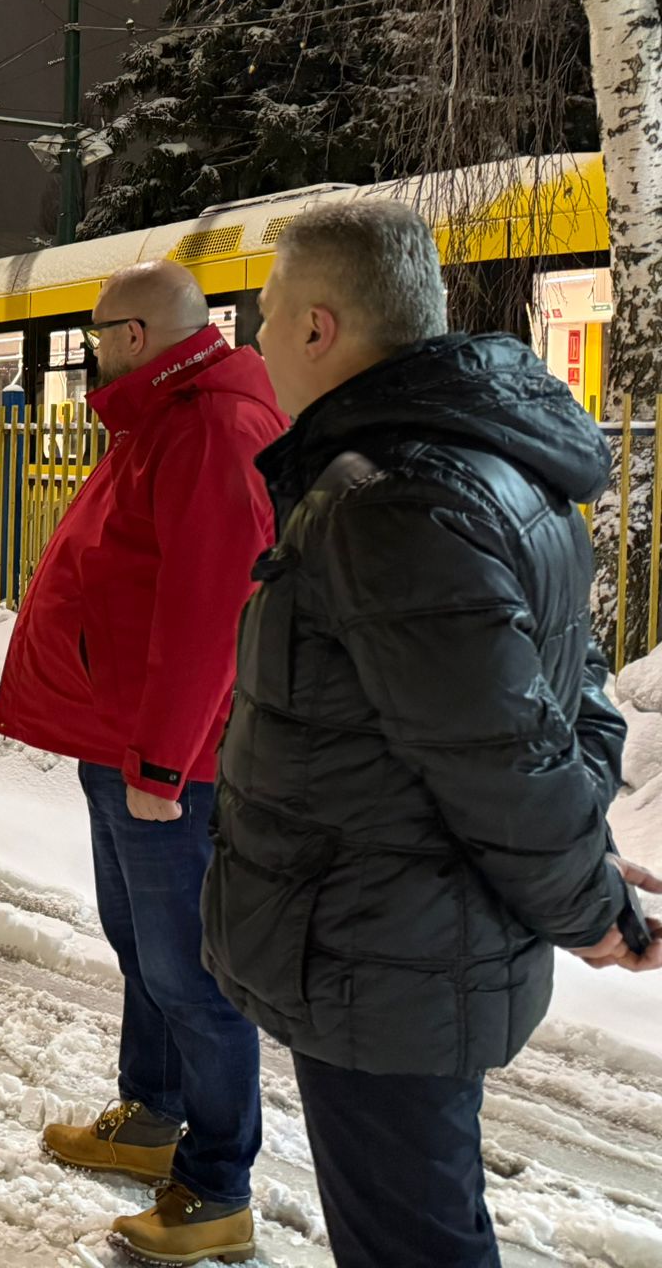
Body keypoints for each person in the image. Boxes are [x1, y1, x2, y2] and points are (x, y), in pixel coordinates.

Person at [202, 199, 662, 1268]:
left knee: (411, 1243)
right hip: (408, 940)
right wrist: (579, 857)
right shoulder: (488, 470)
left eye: (266, 312)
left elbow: (506, 755)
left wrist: (593, 910)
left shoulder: (389, 500)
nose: (255, 337)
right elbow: (570, 705)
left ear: (319, 327)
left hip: (385, 949)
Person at [0, 259, 285, 1265]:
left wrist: (160, 765)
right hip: (124, 740)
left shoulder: (205, 430)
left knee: (191, 969)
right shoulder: (161, 417)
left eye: (90, 339)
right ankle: (151, 1112)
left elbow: (208, 617)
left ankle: (216, 1184)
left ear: (128, 337)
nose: (84, 358)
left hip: (172, 762)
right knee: (140, 945)